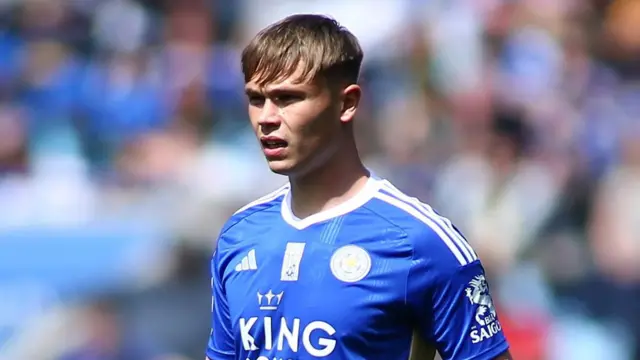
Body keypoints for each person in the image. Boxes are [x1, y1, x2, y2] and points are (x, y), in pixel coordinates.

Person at [206, 14, 511, 360]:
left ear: (346, 103)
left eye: (288, 98)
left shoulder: (419, 241)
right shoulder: (240, 235)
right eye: (256, 99)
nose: (266, 118)